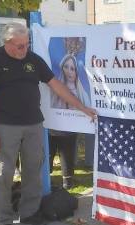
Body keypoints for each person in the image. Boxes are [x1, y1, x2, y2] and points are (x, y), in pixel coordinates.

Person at [0, 22, 96, 225]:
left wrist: (83, 107)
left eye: (27, 44)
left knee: (33, 173)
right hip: (5, 127)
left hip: (33, 126)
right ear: (7, 42)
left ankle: (29, 216)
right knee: (3, 174)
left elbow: (57, 86)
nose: (24, 49)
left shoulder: (33, 59)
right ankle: (4, 218)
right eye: (19, 46)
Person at [49, 53, 91, 189]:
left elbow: (87, 107)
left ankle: (68, 181)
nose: (69, 71)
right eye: (66, 67)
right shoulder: (54, 88)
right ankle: (46, 180)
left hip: (68, 131)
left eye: (72, 68)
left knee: (67, 153)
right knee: (48, 152)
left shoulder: (81, 92)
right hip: (51, 128)